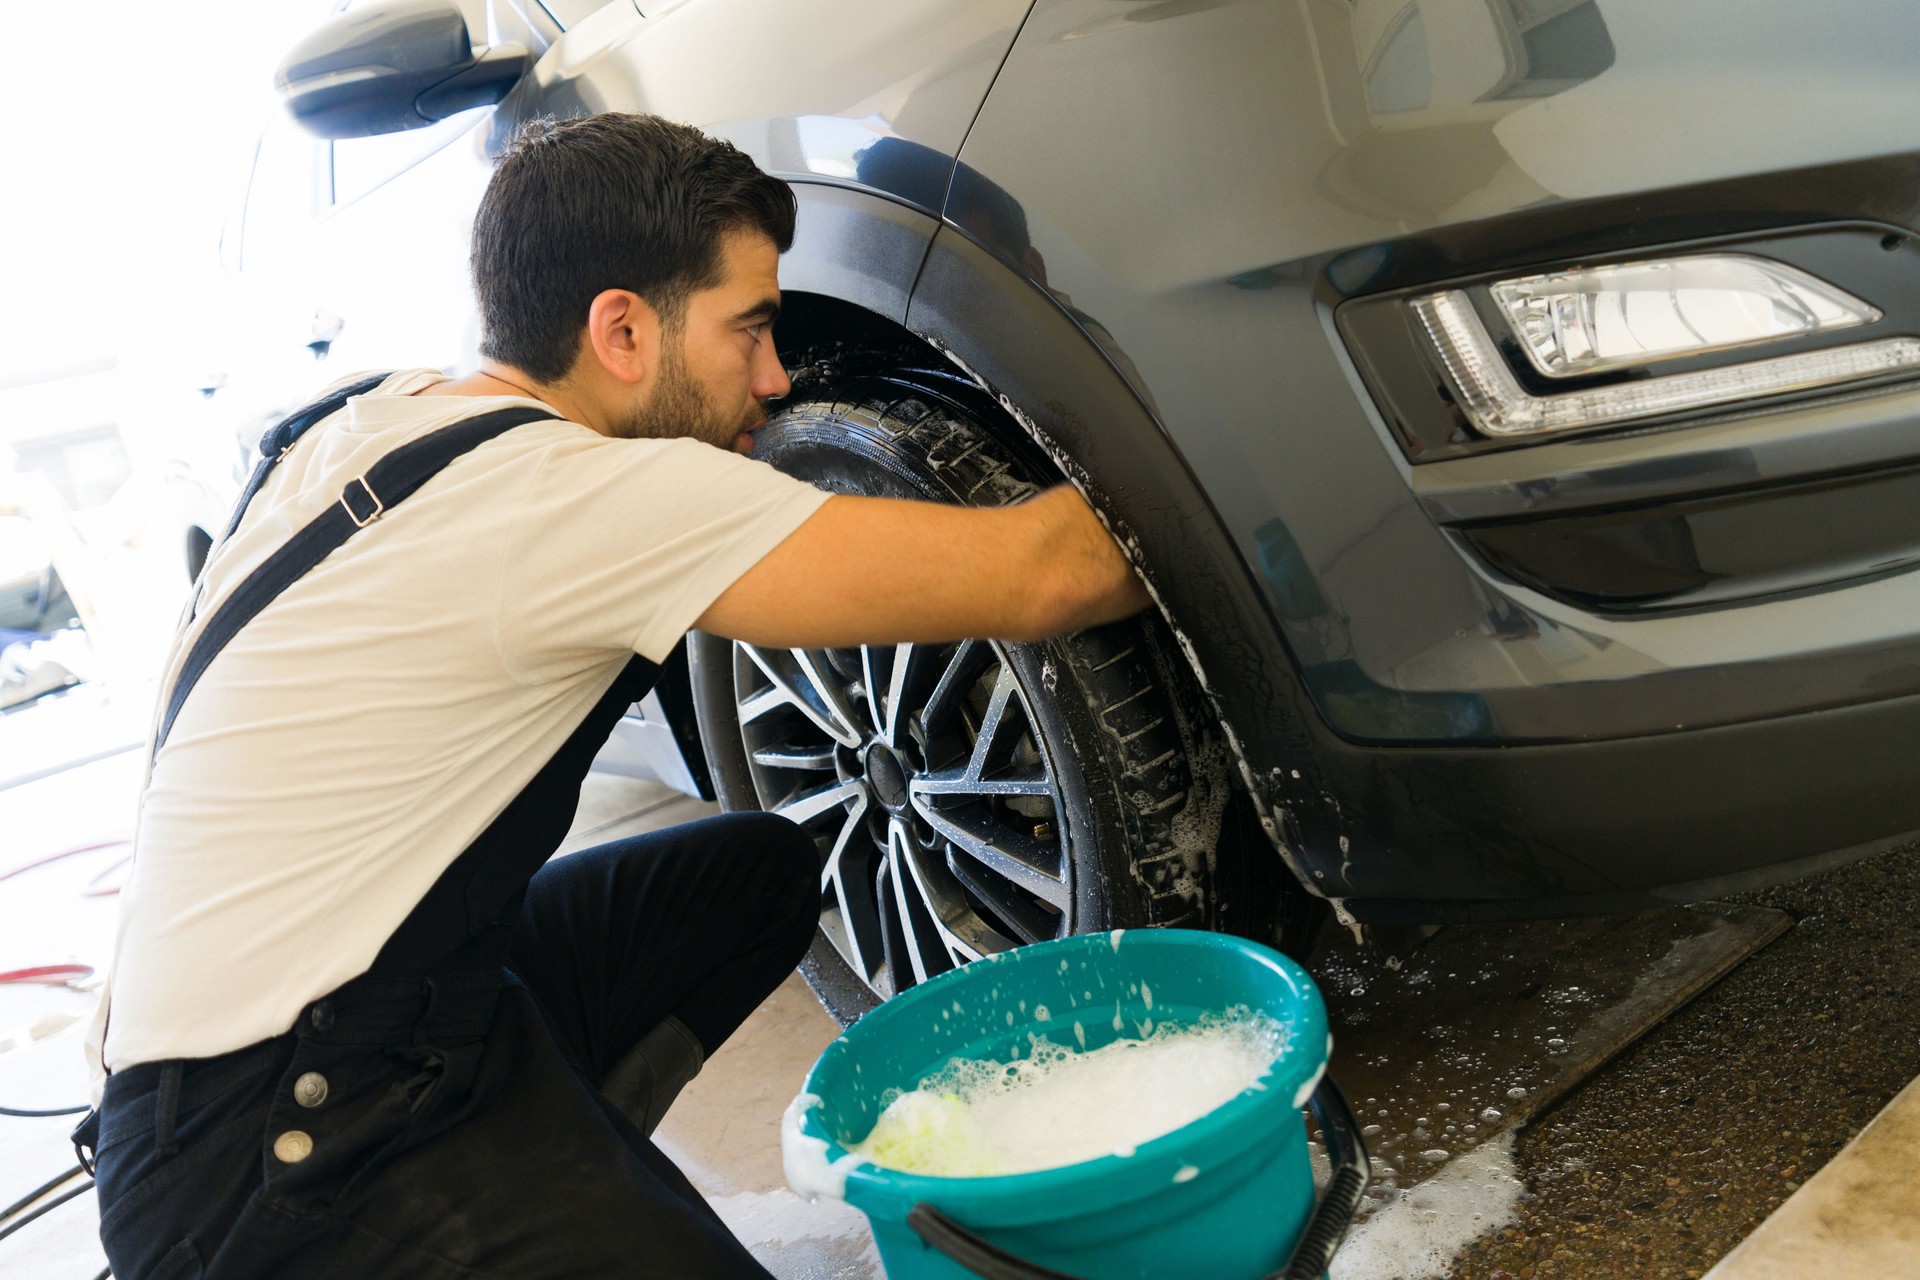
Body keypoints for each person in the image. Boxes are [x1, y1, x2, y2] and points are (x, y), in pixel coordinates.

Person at [76, 113, 1147, 1279]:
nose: (778, 379)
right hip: (268, 1167)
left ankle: (538, 1175)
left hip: (329, 1040)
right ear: (622, 329)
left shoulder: (375, 422)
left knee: (756, 871)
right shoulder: (572, 499)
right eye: (752, 328)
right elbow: (1050, 571)